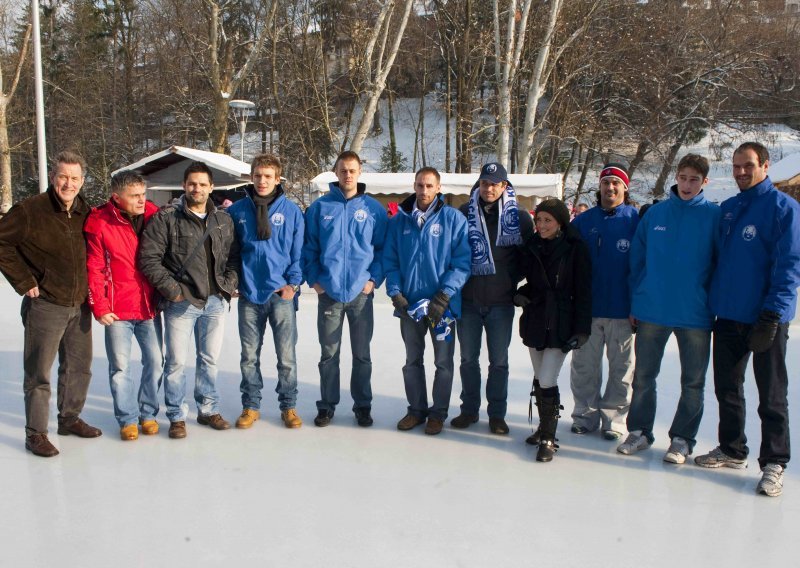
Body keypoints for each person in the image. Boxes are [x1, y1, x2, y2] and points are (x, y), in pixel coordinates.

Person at [695, 142, 800, 497]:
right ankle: (732, 448)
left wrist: (772, 314)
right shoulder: (727, 208)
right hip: (728, 315)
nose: (741, 172)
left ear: (765, 165)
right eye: (736, 166)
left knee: (771, 394)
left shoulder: (783, 208)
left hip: (764, 317)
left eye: (748, 166)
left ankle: (775, 461)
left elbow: (789, 265)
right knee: (727, 388)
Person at [617, 154, 720, 464]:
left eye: (694, 179)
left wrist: (712, 301)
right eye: (684, 177)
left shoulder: (714, 216)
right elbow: (636, 261)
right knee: (644, 376)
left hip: (695, 313)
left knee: (693, 381)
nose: (687, 185)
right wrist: (636, 301)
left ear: (705, 182)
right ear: (676, 176)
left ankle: (682, 438)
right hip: (652, 309)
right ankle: (640, 431)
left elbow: (721, 265)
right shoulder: (656, 214)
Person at [0, 150, 101, 457]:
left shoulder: (86, 211)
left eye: (74, 178)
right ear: (53, 176)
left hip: (79, 304)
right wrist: (25, 280)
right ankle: (36, 433)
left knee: (79, 368)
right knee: (39, 372)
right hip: (45, 304)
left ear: (82, 181)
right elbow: (2, 242)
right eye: (63, 177)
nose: (68, 184)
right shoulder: (31, 210)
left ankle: (69, 418)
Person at [139, 161, 239, 439]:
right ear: (184, 186)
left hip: (215, 301)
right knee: (176, 363)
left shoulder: (223, 220)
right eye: (192, 183)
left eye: (202, 184)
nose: (197, 188)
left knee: (209, 360)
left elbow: (233, 257)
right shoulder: (167, 218)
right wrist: (173, 290)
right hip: (181, 303)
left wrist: (228, 285)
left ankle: (208, 409)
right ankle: (176, 415)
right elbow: (149, 258)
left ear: (211, 187)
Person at [302, 150, 387, 427]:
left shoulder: (373, 209)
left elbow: (383, 250)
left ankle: (362, 405)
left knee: (362, 355)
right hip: (330, 294)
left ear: (360, 172)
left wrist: (373, 280)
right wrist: (315, 281)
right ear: (336, 173)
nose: (347, 175)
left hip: (361, 295)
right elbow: (308, 248)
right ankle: (327, 405)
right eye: (343, 170)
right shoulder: (320, 208)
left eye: (352, 170)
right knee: (329, 355)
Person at [384, 167, 471, 435]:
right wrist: (396, 293)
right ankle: (416, 410)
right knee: (412, 360)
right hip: (410, 306)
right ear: (414, 185)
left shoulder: (453, 219)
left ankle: (438, 413)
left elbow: (462, 262)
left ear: (438, 187)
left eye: (429, 186)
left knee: (443, 363)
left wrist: (444, 295)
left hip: (441, 307)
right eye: (420, 185)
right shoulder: (399, 221)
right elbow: (391, 260)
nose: (424, 191)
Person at [451, 162, 533, 435]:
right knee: (468, 360)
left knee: (499, 362)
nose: (489, 188)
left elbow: (527, 258)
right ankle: (469, 410)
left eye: (495, 184)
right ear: (479, 184)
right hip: (470, 301)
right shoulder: (464, 213)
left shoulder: (519, 218)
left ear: (504, 186)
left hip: (500, 302)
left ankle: (497, 414)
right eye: (485, 183)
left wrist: (510, 280)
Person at [84, 170, 163, 441]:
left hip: (149, 305)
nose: (142, 200)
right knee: (120, 367)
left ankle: (149, 413)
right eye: (135, 196)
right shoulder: (100, 222)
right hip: (117, 309)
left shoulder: (154, 215)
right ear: (117, 198)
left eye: (144, 194)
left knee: (156, 361)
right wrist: (100, 305)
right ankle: (127, 418)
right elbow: (94, 268)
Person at [227, 154, 304, 429]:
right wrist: (232, 280)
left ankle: (289, 407)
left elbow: (299, 254)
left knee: (286, 358)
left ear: (277, 179)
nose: (262, 181)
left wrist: (292, 285)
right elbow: (229, 252)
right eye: (258, 175)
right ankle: (251, 405)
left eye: (268, 176)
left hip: (280, 295)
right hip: (249, 294)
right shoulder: (236, 211)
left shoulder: (292, 212)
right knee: (249, 356)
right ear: (251, 177)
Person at [515, 199, 592, 461]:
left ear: (560, 222)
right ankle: (543, 427)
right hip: (536, 319)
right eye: (539, 220)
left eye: (548, 220)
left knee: (548, 378)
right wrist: (520, 294)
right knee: (540, 378)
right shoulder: (533, 245)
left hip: (561, 321)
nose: (542, 225)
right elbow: (532, 283)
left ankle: (549, 437)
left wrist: (582, 329)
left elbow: (583, 291)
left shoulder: (575, 248)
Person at [570, 163, 639, 440]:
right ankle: (585, 416)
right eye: (605, 183)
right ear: (599, 187)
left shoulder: (635, 220)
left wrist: (638, 306)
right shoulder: (584, 222)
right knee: (584, 367)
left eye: (615, 183)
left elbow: (643, 266)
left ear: (625, 187)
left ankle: (614, 419)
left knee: (621, 369)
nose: (610, 188)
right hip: (588, 309)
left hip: (623, 310)